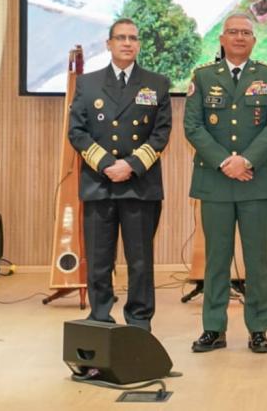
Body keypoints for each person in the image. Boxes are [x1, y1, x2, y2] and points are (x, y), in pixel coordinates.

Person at [185, 13, 267, 354]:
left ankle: (258, 328)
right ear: (222, 38)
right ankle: (214, 328)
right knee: (217, 259)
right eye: (233, 32)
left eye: (246, 32)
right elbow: (193, 126)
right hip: (215, 181)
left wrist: (245, 161)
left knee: (257, 260)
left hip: (256, 183)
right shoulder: (202, 76)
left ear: (254, 40)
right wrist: (225, 162)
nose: (240, 37)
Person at [68, 17, 171, 332]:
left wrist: (131, 165)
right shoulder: (88, 84)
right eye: (121, 38)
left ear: (139, 44)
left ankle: (139, 322)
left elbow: (161, 133)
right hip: (99, 185)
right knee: (99, 261)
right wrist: (106, 164)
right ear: (109, 44)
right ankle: (100, 318)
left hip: (140, 185)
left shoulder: (157, 84)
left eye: (133, 38)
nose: (128, 43)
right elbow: (77, 131)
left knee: (140, 262)